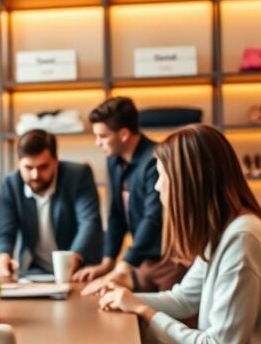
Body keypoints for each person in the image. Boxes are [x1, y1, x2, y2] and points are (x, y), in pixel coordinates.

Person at [97, 125, 261, 344]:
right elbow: (184, 299)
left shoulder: (243, 239)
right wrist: (125, 298)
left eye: (162, 176)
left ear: (187, 183)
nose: (157, 187)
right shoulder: (226, 231)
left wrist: (144, 311)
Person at [75, 97, 187, 294]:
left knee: (166, 313)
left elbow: (153, 217)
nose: (97, 143)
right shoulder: (114, 160)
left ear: (124, 134)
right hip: (141, 262)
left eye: (103, 136)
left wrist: (124, 265)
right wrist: (107, 262)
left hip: (169, 262)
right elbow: (116, 214)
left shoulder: (155, 158)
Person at [0, 129, 103, 280]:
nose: (35, 175)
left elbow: (89, 223)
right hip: (34, 271)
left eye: (43, 167)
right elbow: (5, 230)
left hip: (79, 271)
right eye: (28, 168)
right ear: (19, 163)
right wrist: (2, 260)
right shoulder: (10, 184)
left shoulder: (78, 176)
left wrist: (74, 257)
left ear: (56, 161)